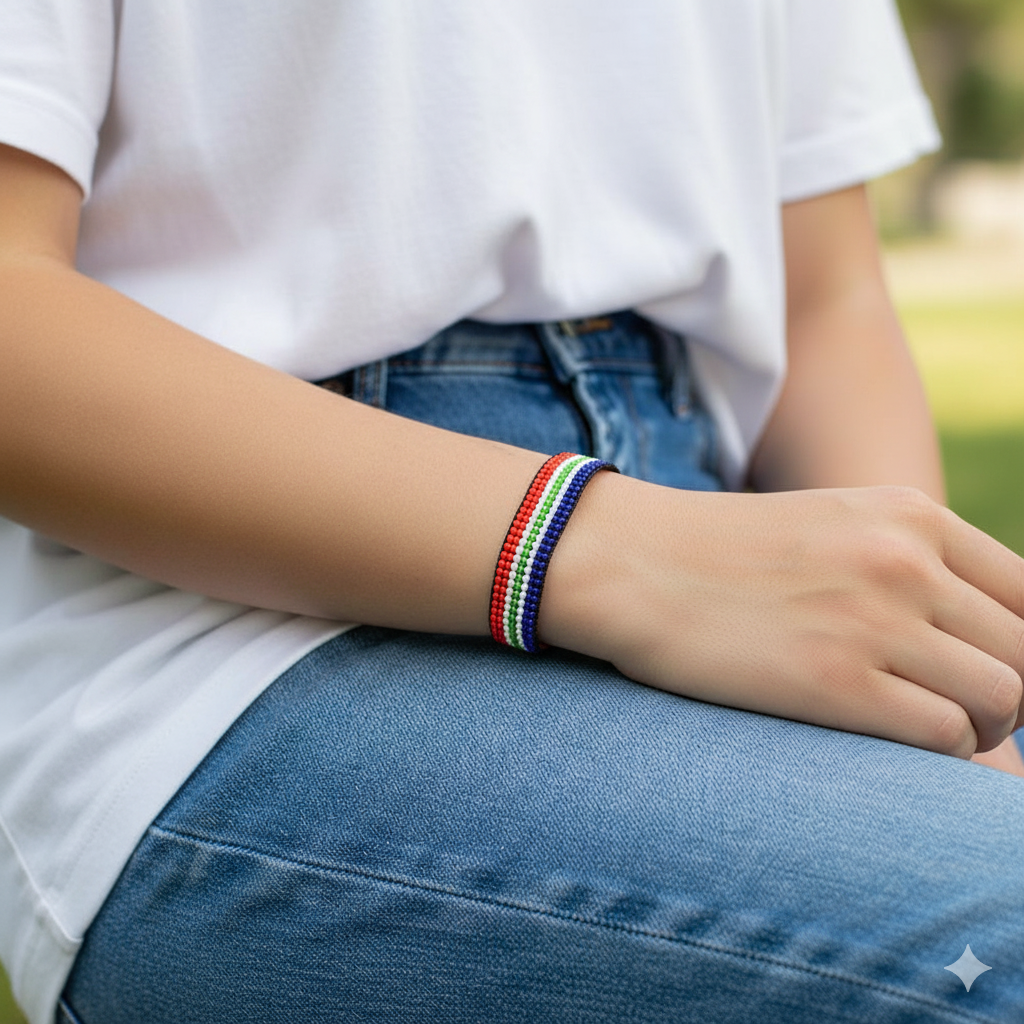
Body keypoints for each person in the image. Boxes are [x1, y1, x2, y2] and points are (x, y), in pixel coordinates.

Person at [1, 1, 1023, 1022]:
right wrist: (619, 552)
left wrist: (938, 682)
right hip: (240, 636)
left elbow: (827, 297)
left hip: (725, 528)